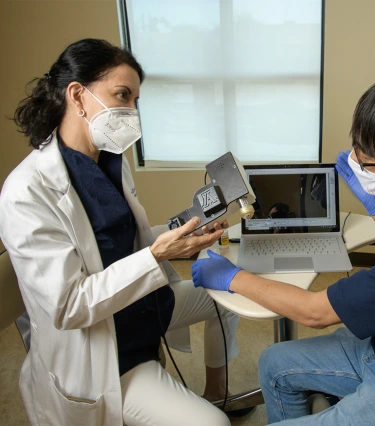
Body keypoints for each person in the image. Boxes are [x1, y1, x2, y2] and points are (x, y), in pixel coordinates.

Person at [191, 72, 375, 425]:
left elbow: (315, 313)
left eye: (367, 160)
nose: (355, 159)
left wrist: (233, 277)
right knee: (274, 363)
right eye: (358, 146)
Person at [0, 38, 240, 426]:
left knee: (228, 290)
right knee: (212, 425)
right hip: (102, 351)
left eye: (135, 101)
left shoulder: (112, 160)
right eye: (122, 95)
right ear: (78, 95)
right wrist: (158, 255)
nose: (131, 111)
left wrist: (182, 238)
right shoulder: (26, 192)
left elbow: (129, 240)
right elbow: (69, 307)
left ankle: (218, 393)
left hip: (143, 307)